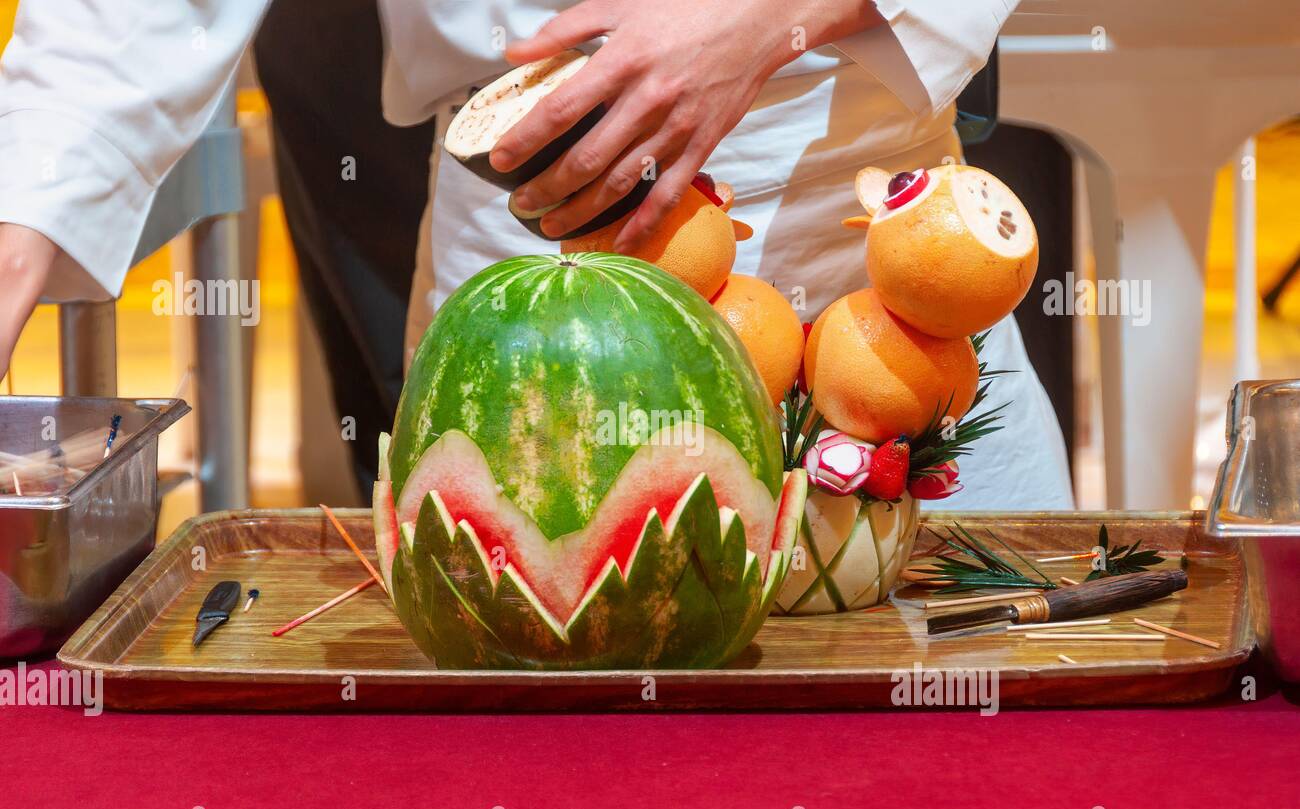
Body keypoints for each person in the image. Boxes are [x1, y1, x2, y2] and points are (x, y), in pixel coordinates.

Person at [0, 0, 1073, 510]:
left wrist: (771, 19)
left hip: (881, 282)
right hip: (523, 275)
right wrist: (11, 237)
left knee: (969, 763)